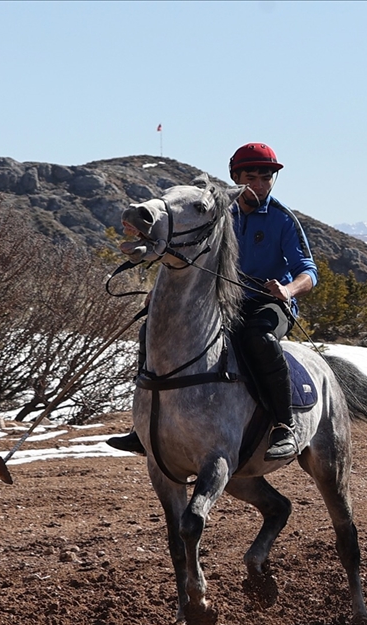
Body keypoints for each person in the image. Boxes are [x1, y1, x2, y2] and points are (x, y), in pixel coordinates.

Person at [109, 142, 319, 461]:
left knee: (257, 338)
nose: (260, 185)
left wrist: (289, 290)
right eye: (251, 177)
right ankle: (142, 427)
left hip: (267, 304)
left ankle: (284, 426)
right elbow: (185, 253)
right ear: (235, 176)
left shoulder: (282, 219)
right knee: (149, 332)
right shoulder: (216, 214)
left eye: (267, 178)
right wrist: (160, 288)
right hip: (218, 302)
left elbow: (309, 271)